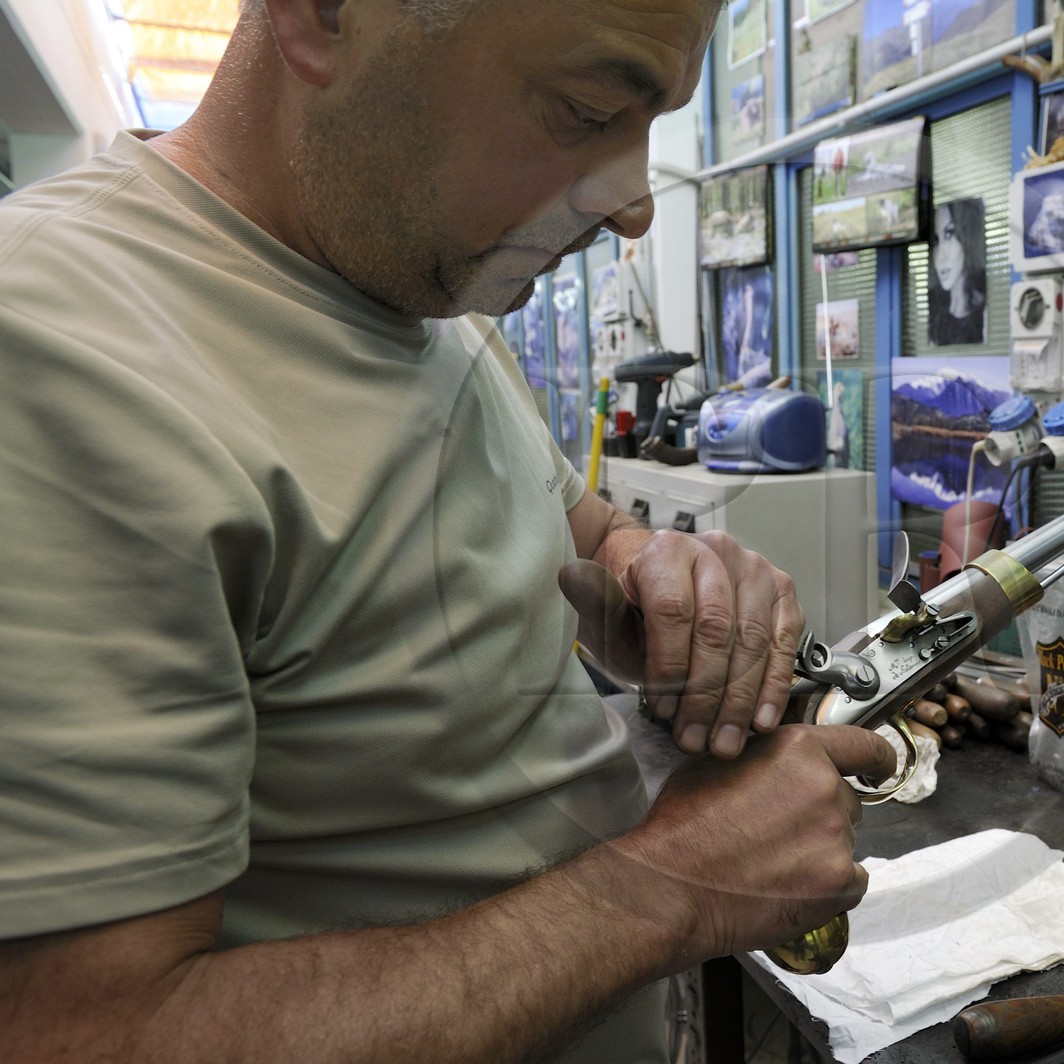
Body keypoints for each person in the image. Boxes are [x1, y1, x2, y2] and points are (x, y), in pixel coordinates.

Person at [0, 1, 897, 1062]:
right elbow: (83, 1032)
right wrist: (669, 889)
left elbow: (585, 529)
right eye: (589, 107)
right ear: (326, 16)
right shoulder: (55, 351)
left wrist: (663, 577)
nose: (635, 205)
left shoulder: (427, 296)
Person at [928, 198, 988, 345]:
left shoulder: (985, 314)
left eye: (949, 234)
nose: (940, 257)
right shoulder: (933, 309)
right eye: (936, 241)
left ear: (966, 236)